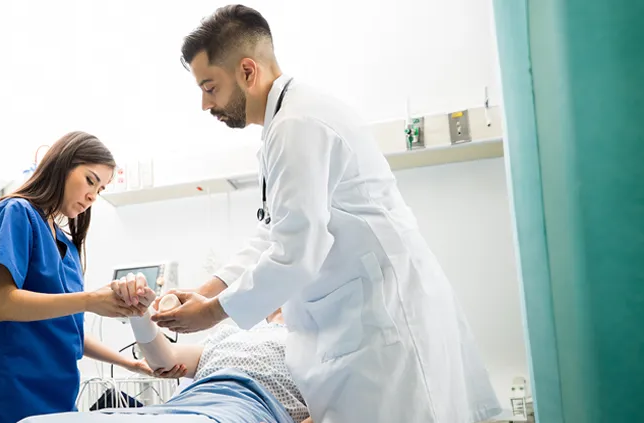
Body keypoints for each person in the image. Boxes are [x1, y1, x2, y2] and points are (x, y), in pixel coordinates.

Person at [150, 5, 503, 423]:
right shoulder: (287, 124)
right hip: (351, 332)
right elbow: (274, 234)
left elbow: (294, 252)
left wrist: (212, 312)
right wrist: (208, 291)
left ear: (247, 71)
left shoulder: (298, 126)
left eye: (210, 87)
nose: (205, 105)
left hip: (381, 330)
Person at [0, 131, 183, 423]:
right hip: (5, 393)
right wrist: (91, 300)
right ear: (62, 165)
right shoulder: (15, 212)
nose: (92, 196)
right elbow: (3, 303)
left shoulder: (66, 245)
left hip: (56, 396)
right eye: (90, 180)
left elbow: (65, 330)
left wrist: (131, 363)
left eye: (100, 190)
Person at [23, 275, 308, 423]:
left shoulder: (316, 344)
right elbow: (165, 361)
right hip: (187, 406)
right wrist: (139, 313)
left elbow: (334, 410)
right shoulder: (232, 332)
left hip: (247, 409)